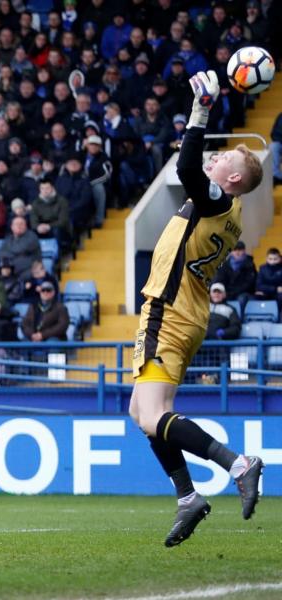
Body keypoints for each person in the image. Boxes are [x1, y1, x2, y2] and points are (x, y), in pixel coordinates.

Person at [129, 71, 263, 548]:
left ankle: (236, 464)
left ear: (230, 179)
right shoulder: (230, 211)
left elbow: (187, 167)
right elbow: (195, 173)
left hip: (168, 311)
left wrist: (201, 109)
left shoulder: (216, 200)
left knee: (151, 416)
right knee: (139, 410)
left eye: (223, 157)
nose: (215, 157)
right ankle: (187, 496)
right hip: (187, 315)